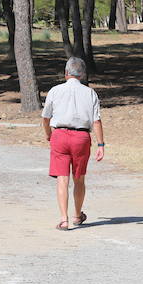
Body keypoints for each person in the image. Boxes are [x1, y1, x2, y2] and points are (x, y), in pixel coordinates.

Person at [40, 57, 105, 231]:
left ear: (66, 73)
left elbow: (45, 118)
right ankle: (77, 215)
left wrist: (49, 135)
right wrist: (101, 145)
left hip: (59, 135)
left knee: (62, 179)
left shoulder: (55, 90)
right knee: (79, 179)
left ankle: (63, 220)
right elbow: (96, 121)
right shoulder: (90, 93)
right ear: (82, 74)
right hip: (81, 137)